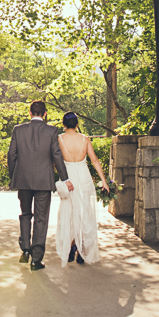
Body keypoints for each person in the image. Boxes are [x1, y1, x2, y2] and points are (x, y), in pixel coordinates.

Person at [7, 100, 73, 271]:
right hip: (44, 180)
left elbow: (11, 154)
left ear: (30, 113)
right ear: (45, 114)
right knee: (41, 218)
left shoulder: (18, 130)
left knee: (25, 214)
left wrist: (13, 177)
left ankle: (25, 249)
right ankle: (36, 259)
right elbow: (56, 155)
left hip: (23, 180)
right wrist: (65, 179)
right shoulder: (52, 130)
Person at [55, 111, 108, 266]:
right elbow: (95, 160)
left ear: (63, 125)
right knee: (84, 212)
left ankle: (71, 246)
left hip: (68, 178)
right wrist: (104, 181)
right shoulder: (85, 139)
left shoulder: (59, 139)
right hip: (83, 177)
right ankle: (81, 250)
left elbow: (55, 161)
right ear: (77, 124)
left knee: (69, 212)